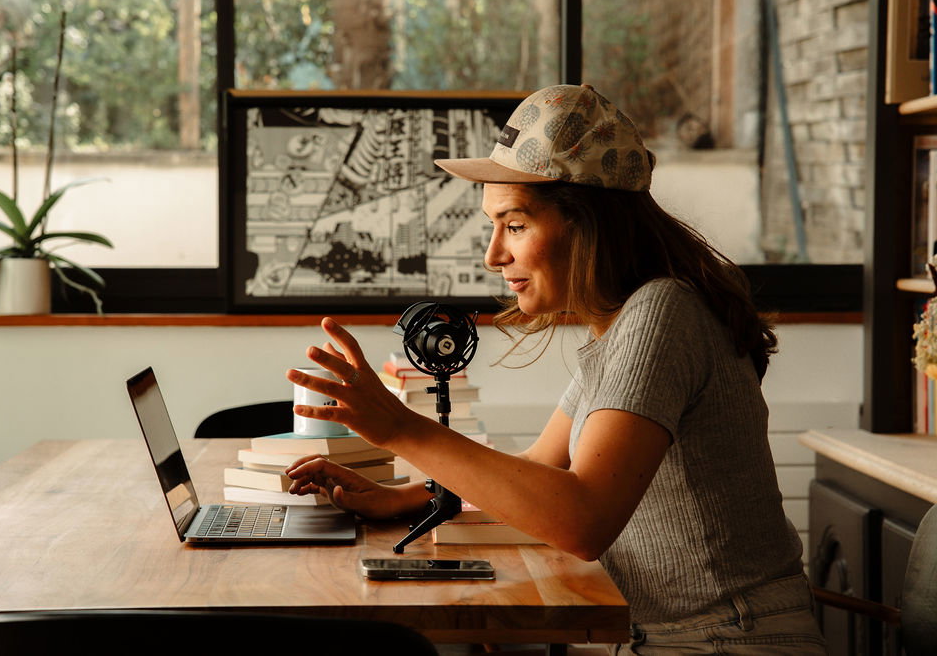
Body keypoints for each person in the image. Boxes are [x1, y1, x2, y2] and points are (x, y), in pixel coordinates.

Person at [284, 84, 827, 654]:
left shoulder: (662, 315)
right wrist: (402, 496)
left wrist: (400, 428)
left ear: (588, 225)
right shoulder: (623, 325)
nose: (494, 254)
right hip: (666, 636)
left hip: (727, 641)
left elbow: (581, 519)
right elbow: (539, 469)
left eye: (514, 225)